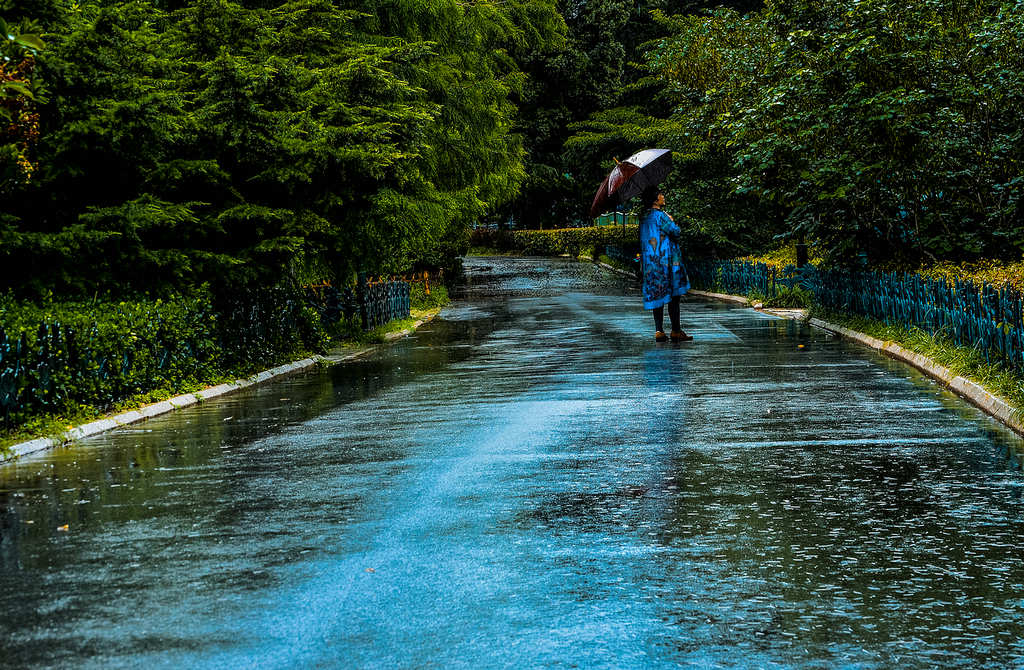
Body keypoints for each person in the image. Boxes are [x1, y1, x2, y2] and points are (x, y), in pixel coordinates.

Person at [638, 186, 693, 342]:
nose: (663, 197)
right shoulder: (661, 216)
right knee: (674, 295)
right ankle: (676, 330)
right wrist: (671, 220)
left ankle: (659, 330)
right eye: (661, 194)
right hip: (667, 261)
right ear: (656, 199)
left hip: (651, 262)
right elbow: (675, 232)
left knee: (657, 293)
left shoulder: (644, 217)